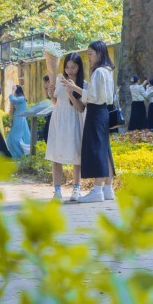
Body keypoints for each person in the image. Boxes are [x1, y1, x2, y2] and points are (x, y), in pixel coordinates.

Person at [63, 40, 116, 204]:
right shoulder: (108, 71)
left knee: (96, 149)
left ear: (99, 54)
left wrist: (74, 87)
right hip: (103, 112)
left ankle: (97, 189)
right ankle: (107, 188)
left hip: (96, 111)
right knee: (103, 148)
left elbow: (93, 96)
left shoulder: (99, 72)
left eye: (91, 54)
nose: (89, 57)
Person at [45, 52, 86, 202]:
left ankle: (76, 188)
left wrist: (71, 93)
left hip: (74, 119)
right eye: (67, 67)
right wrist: (51, 94)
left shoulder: (83, 84)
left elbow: (81, 108)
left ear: (79, 67)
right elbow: (55, 102)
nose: (69, 70)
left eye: (73, 67)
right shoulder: (59, 79)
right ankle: (57, 190)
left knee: (77, 155)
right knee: (56, 156)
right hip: (58, 119)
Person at [7, 85, 31, 158]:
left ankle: (20, 154)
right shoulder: (19, 99)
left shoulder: (22, 98)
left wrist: (13, 90)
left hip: (20, 119)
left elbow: (11, 99)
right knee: (12, 136)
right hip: (17, 119)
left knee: (15, 137)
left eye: (15, 91)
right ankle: (16, 154)